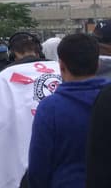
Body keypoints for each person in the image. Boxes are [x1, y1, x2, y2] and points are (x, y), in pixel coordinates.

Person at [29, 34, 106, 188]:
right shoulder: (106, 97)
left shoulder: (50, 108)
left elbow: (39, 165)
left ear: (61, 66)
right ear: (98, 64)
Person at [0, 32, 62, 188]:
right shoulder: (61, 68)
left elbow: (2, 124)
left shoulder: (4, 77)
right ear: (38, 49)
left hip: (27, 156)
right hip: (66, 154)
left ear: (12, 52)